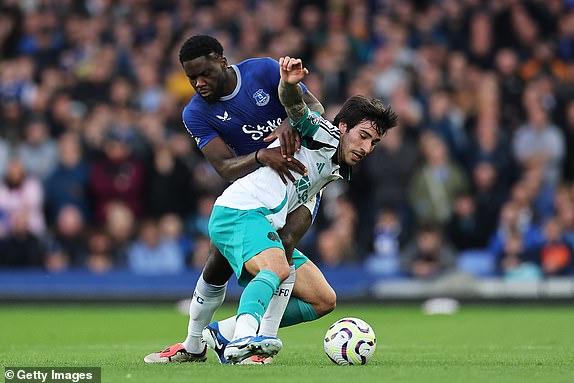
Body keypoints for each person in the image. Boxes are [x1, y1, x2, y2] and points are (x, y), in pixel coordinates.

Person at [144, 35, 334, 365]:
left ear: (221, 60)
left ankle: (224, 335)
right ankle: (204, 344)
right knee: (221, 263)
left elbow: (315, 109)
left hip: (303, 188)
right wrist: (263, 155)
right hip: (255, 193)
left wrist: (292, 122)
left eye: (204, 74)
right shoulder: (196, 113)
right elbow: (223, 167)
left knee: (316, 291)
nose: (199, 84)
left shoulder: (261, 71)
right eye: (191, 78)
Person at [207, 56, 397, 363]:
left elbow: (297, 220)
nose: (366, 148)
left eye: (373, 143)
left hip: (265, 219)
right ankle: (243, 338)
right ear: (342, 127)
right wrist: (289, 84)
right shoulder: (324, 134)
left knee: (323, 299)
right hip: (242, 210)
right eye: (363, 137)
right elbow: (297, 109)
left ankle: (223, 334)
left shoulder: (334, 168)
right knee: (277, 269)